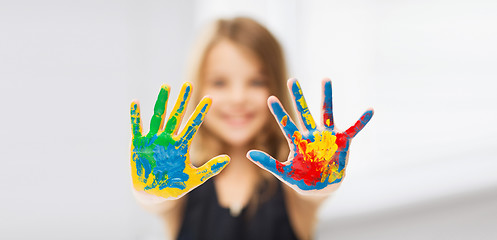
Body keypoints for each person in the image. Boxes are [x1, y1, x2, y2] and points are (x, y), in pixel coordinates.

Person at [129, 17, 373, 240]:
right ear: (199, 86)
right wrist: (150, 191)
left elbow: (311, 195)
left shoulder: (293, 177)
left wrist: (320, 181)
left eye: (256, 81)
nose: (238, 98)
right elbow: (157, 202)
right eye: (220, 82)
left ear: (275, 86)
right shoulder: (178, 177)